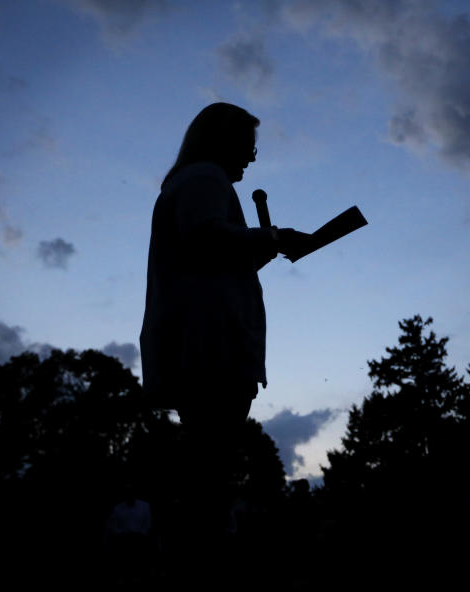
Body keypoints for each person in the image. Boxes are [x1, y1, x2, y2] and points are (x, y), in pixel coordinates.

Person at [139, 103, 310, 563]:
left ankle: (199, 554)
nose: (252, 159)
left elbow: (208, 255)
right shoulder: (202, 179)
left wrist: (260, 248)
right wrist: (270, 238)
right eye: (248, 147)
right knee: (211, 464)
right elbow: (205, 238)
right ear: (224, 142)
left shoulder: (194, 181)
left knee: (208, 460)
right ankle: (204, 561)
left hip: (202, 342)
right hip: (210, 344)